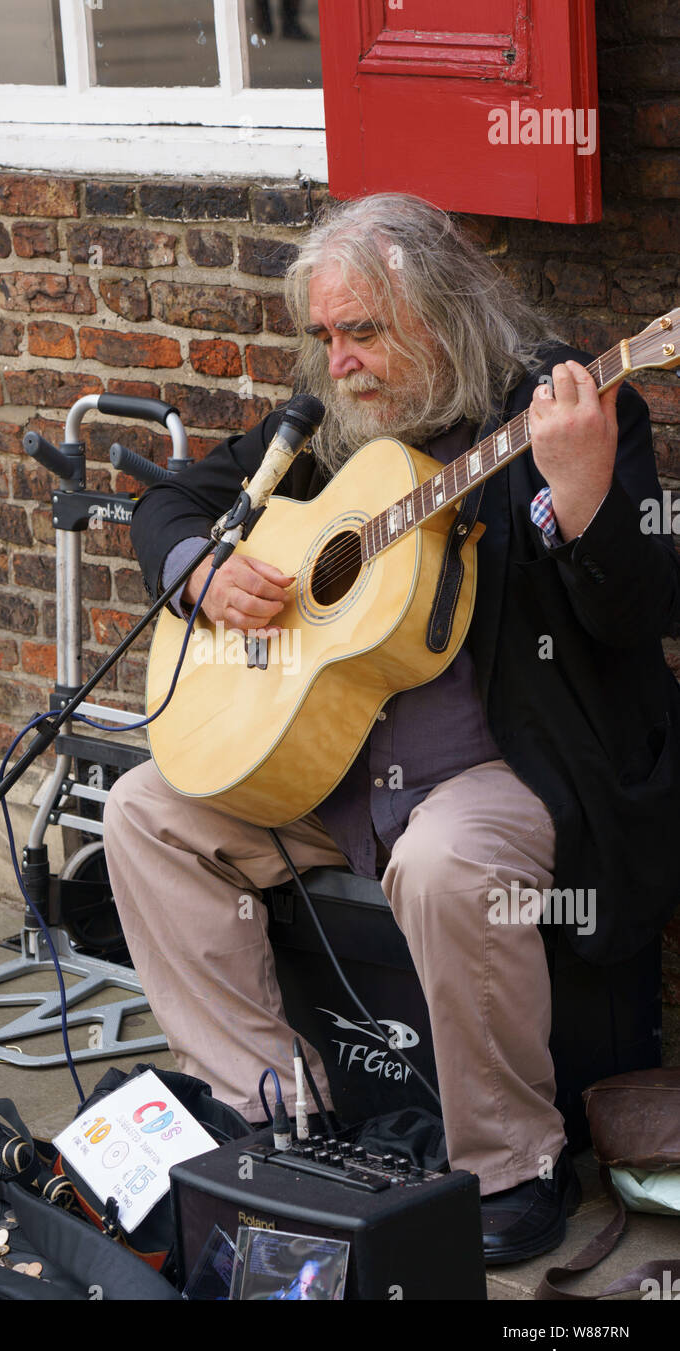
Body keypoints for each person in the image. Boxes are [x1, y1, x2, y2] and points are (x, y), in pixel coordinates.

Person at [102, 193, 680, 1264]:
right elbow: (170, 500)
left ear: (442, 312)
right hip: (336, 772)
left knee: (448, 862)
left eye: (362, 331)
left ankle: (512, 1165)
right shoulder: (330, 428)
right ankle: (272, 1112)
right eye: (325, 335)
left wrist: (585, 491)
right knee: (141, 811)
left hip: (503, 769)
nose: (341, 360)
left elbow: (640, 607)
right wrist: (203, 571)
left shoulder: (554, 402)